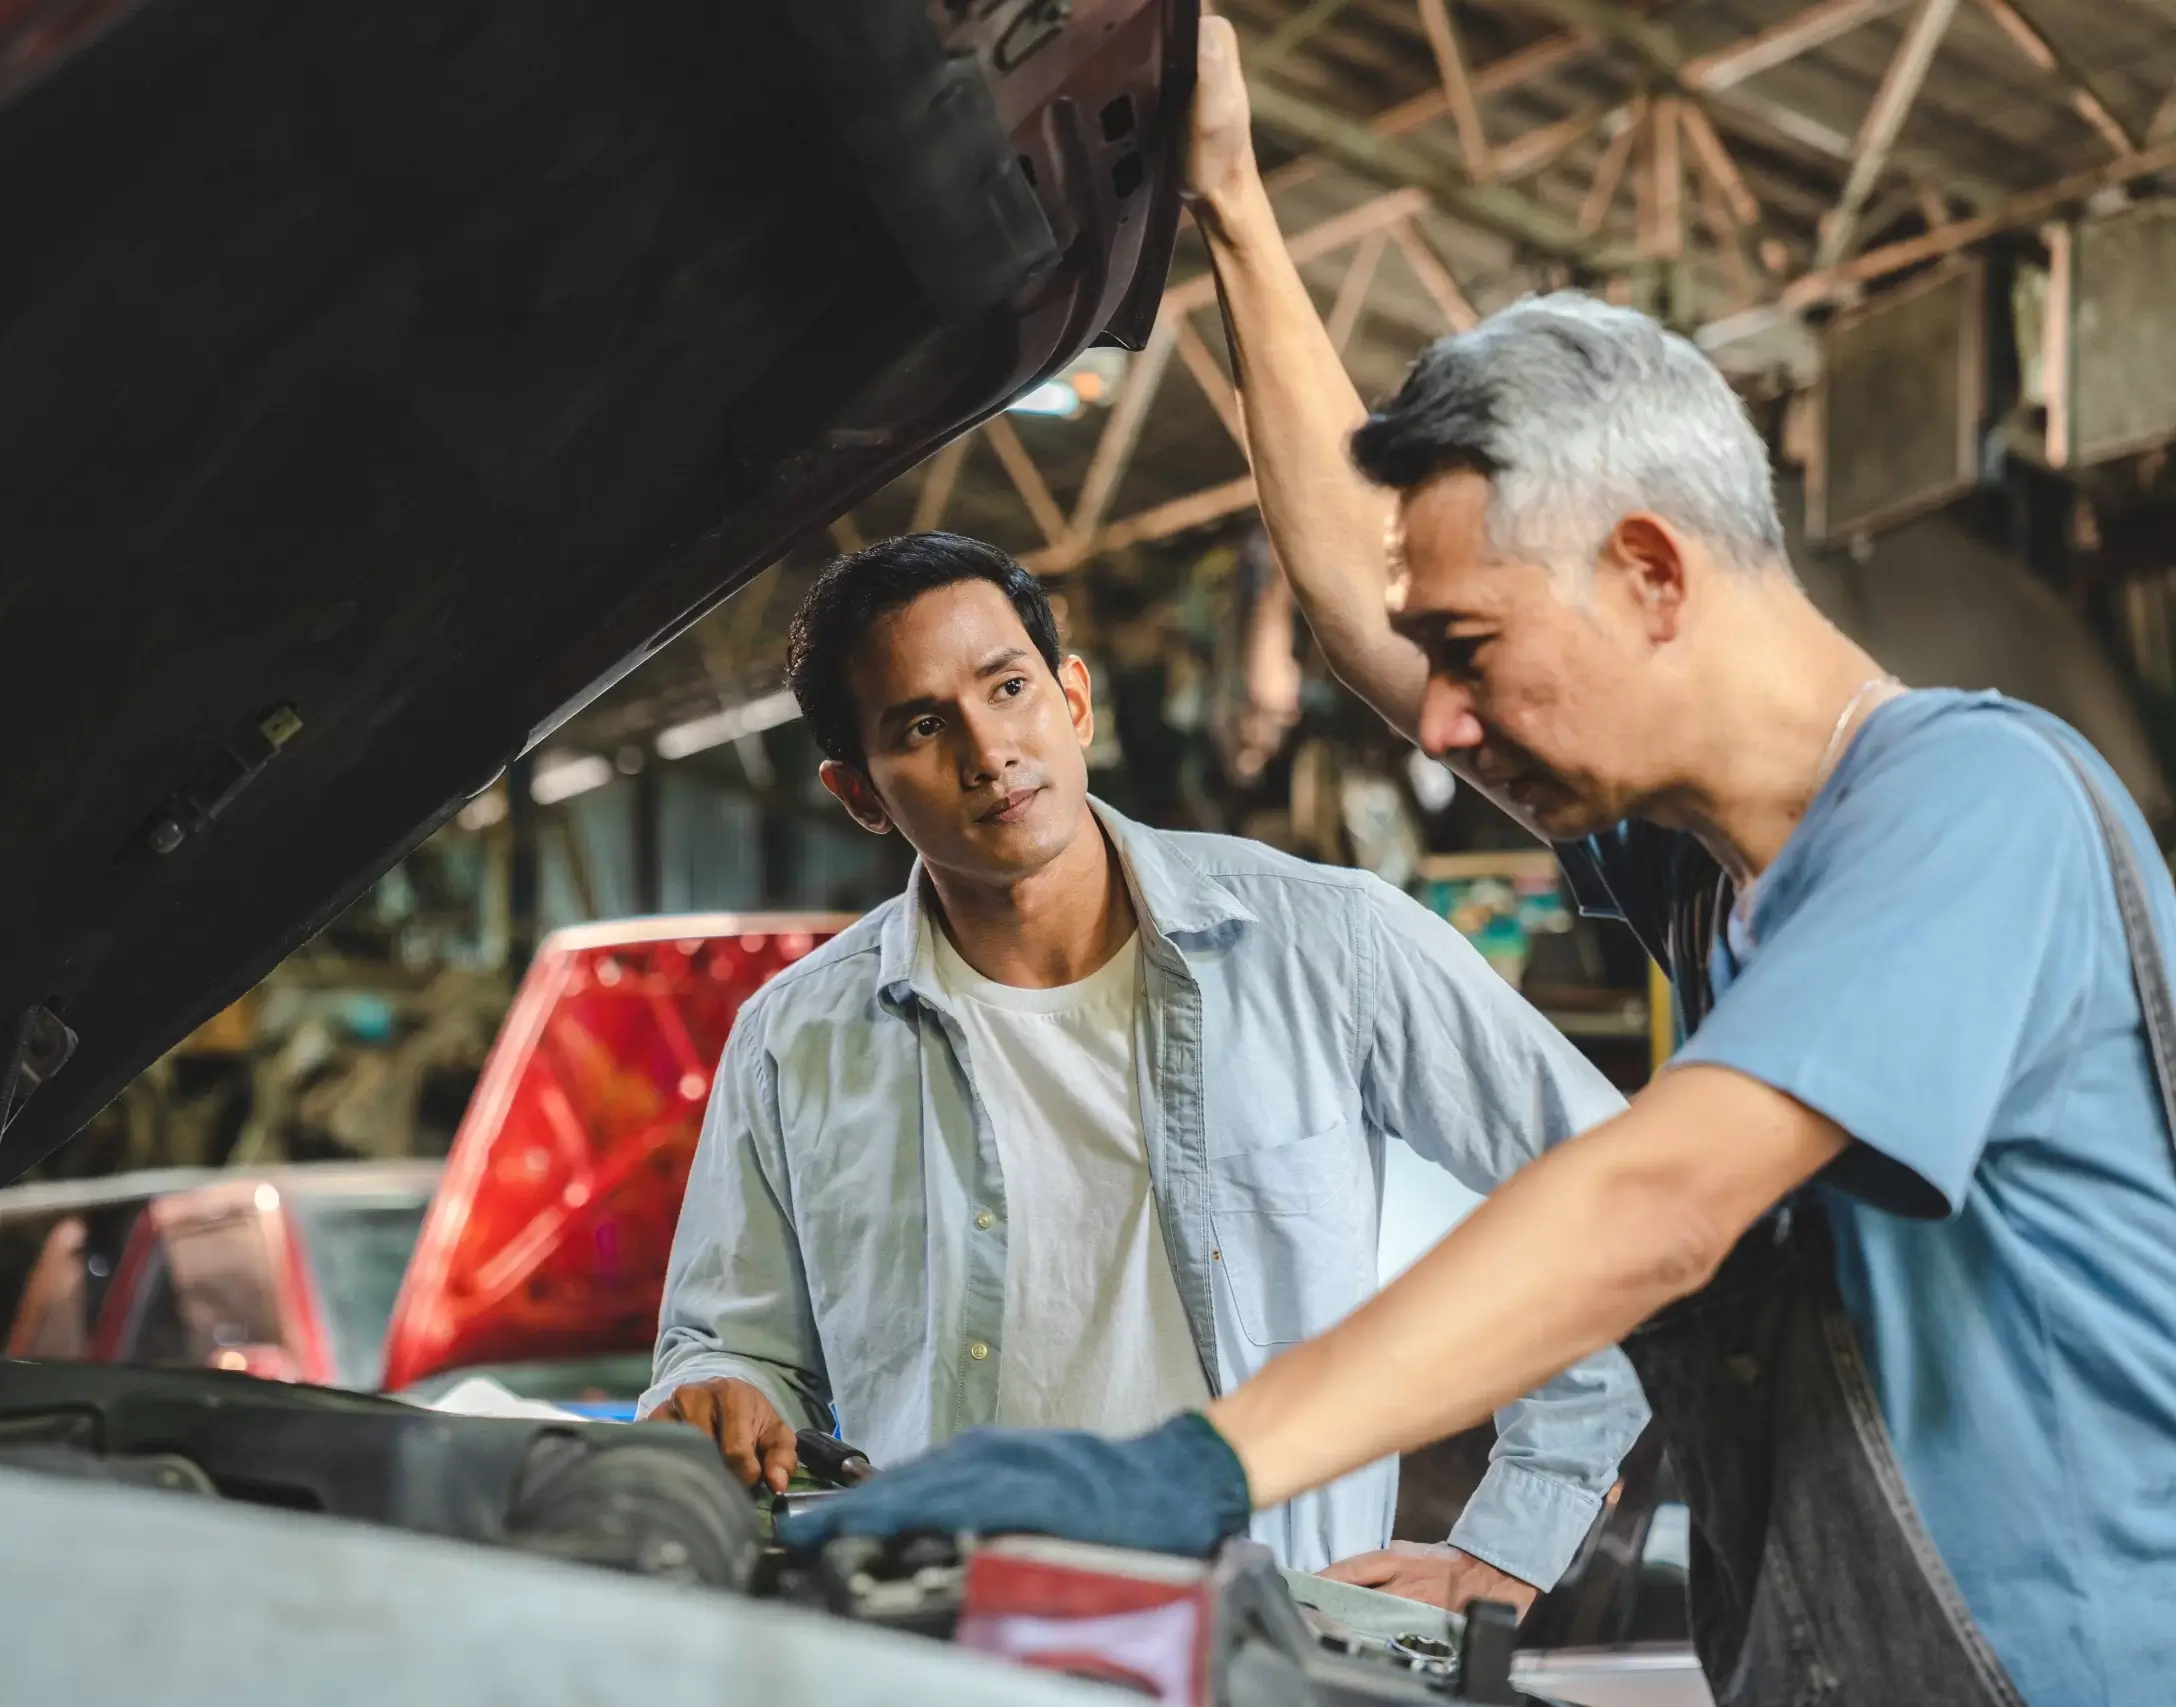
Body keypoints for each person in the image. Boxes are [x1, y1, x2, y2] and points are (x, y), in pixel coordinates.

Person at [784, 20, 2176, 1707]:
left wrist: (1197, 1468)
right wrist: (1226, 195)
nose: (1436, 728)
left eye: (1475, 651)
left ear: (1651, 573)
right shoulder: (1712, 865)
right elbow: (1359, 614)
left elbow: (1661, 1204)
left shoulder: (1978, 807)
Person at [640, 529, 1647, 1605]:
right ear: (859, 793)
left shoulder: (1325, 946)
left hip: (1259, 1648)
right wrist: (717, 1387)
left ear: (1073, 700)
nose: (989, 752)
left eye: (1009, 687)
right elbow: (727, 1344)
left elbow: (1617, 1199)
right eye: (924, 726)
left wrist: (1506, 1546)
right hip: (950, 1653)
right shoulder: (797, 1042)